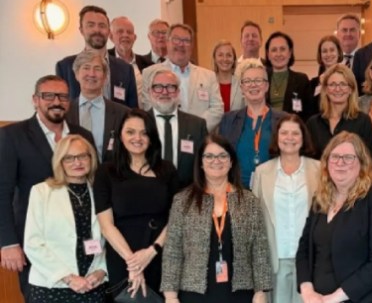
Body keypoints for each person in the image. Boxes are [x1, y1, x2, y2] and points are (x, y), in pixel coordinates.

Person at [0, 75, 94, 302]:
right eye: (48, 96)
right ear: (35, 100)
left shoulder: (83, 136)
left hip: (81, 245)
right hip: (36, 245)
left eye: (62, 96)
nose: (56, 102)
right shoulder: (12, 136)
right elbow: (2, 191)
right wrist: (8, 242)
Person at [161, 134, 272, 303]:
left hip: (240, 292)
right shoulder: (183, 201)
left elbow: (259, 249)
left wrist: (261, 291)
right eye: (209, 156)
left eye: (222, 156)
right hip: (194, 292)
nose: (216, 161)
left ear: (231, 161)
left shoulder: (249, 201)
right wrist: (170, 295)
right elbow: (172, 251)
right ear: (200, 162)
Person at [296, 131, 372, 303]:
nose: (340, 163)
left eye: (348, 158)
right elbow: (304, 249)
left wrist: (334, 298)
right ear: (326, 163)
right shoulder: (321, 198)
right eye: (335, 157)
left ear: (362, 163)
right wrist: (307, 291)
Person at [94, 109, 179, 299]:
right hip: (122, 256)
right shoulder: (106, 171)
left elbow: (176, 217)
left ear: (152, 137)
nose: (137, 138)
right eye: (130, 132)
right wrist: (133, 263)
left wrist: (151, 252)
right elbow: (106, 225)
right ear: (120, 136)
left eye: (144, 132)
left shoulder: (167, 169)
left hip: (161, 254)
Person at [24, 135, 107, 302]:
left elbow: (110, 238)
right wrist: (68, 278)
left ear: (91, 158)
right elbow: (33, 243)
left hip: (93, 285)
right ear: (60, 162)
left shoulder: (101, 190)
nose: (77, 162)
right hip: (52, 287)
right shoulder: (41, 192)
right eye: (69, 158)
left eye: (83, 156)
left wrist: (101, 271)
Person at [252, 114, 320, 303]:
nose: (289, 138)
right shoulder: (262, 172)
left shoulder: (320, 169)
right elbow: (256, 222)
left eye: (295, 133)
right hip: (276, 259)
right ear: (277, 137)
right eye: (284, 133)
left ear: (303, 138)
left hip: (310, 259)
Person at [141, 23, 224, 132]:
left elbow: (217, 109)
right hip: (164, 138)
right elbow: (149, 107)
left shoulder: (208, 76)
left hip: (200, 139)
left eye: (186, 40)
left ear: (192, 46)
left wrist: (195, 128)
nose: (181, 44)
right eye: (176, 39)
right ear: (167, 42)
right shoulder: (149, 73)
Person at [218, 59, 287, 188]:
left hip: (274, 191)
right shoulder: (228, 120)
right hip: (237, 193)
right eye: (248, 81)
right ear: (242, 88)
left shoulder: (284, 120)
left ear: (266, 86)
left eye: (258, 80)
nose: (253, 85)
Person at [56, 5, 138, 108]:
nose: (97, 30)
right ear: (81, 30)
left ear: (108, 31)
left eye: (102, 26)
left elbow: (133, 112)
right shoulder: (65, 67)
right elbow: (60, 107)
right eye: (91, 25)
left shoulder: (125, 69)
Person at [146, 67, 208, 189]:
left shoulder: (197, 125)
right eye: (158, 87)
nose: (164, 92)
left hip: (188, 197)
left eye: (170, 87)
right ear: (150, 92)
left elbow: (204, 165)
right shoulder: (139, 123)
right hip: (147, 194)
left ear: (178, 92)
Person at [66, 49, 130, 162]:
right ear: (76, 75)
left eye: (97, 69)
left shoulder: (123, 113)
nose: (91, 74)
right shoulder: (65, 112)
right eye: (86, 68)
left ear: (105, 77)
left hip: (111, 177)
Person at [306, 64, 372, 159]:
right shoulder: (313, 123)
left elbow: (371, 161)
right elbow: (307, 160)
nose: (337, 89)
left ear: (351, 89)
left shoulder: (363, 121)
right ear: (326, 90)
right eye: (332, 84)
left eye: (343, 84)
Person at [264, 31, 311, 121]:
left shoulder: (301, 80)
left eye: (282, 49)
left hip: (291, 131)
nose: (278, 54)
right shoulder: (261, 79)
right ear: (268, 55)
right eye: (274, 50)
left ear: (289, 53)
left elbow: (308, 115)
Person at [108, 16, 154, 107]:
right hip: (114, 117)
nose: (125, 35)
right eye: (120, 31)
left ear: (134, 37)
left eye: (129, 32)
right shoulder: (104, 61)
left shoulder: (149, 65)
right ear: (111, 37)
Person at [307, 35, 344, 121]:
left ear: (339, 52)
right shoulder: (313, 84)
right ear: (320, 55)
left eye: (332, 50)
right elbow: (310, 111)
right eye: (324, 51)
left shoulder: (348, 79)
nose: (328, 54)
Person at [212, 40, 244, 112]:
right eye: (220, 55)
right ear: (215, 59)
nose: (225, 59)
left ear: (234, 59)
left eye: (229, 55)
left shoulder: (242, 83)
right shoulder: (208, 83)